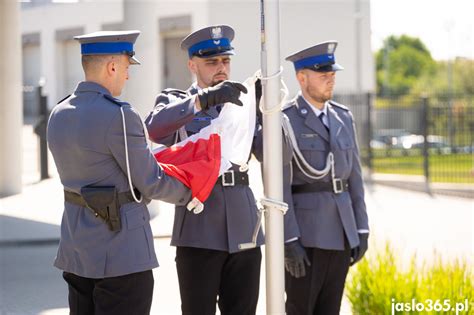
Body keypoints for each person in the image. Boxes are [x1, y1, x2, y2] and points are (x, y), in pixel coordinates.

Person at [47, 30, 191, 315]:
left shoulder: (58, 113)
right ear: (112, 67)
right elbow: (151, 182)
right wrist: (193, 192)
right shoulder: (120, 115)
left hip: (77, 250)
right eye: (126, 67)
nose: (127, 76)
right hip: (121, 253)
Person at [144, 25, 263, 315]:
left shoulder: (242, 102)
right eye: (212, 62)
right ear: (192, 65)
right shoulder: (175, 100)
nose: (221, 68)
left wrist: (266, 111)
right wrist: (204, 100)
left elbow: (277, 155)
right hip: (199, 227)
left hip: (244, 226)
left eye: (225, 61)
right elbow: (154, 128)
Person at [281, 41, 370, 315]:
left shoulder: (343, 117)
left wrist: (362, 229)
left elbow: (355, 178)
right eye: (323, 75)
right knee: (300, 309)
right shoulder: (285, 120)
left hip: (342, 231)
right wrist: (289, 239)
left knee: (331, 309)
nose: (330, 80)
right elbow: (280, 187)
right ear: (301, 77)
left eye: (332, 74)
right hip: (307, 235)